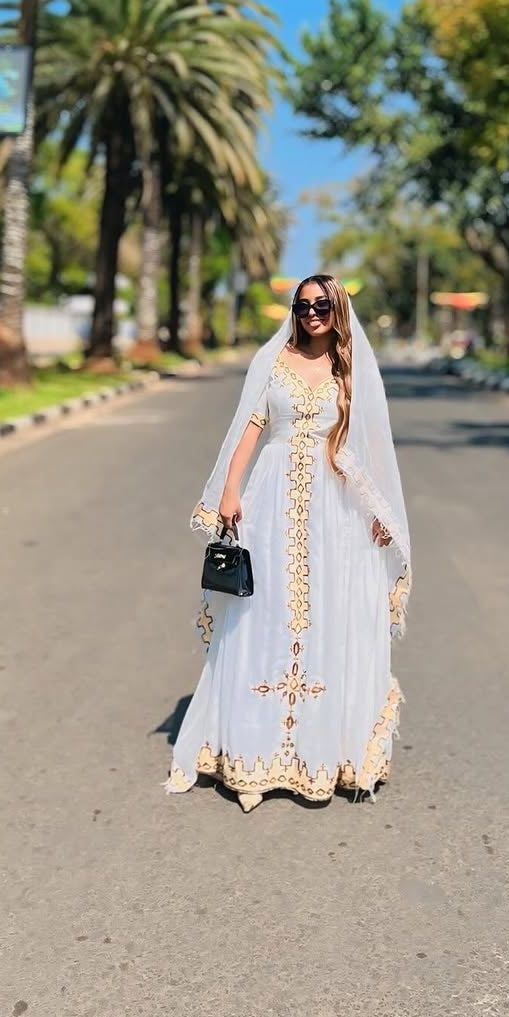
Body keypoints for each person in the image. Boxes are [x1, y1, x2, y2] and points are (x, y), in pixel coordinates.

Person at [166, 274, 411, 812]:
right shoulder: (273, 362)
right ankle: (251, 757)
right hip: (271, 497)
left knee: (324, 617)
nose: (312, 313)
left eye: (322, 305)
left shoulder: (349, 372)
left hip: (333, 509)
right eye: (303, 306)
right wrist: (230, 489)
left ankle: (321, 755)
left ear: (338, 310)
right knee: (266, 615)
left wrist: (377, 513)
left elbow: (369, 448)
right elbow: (249, 429)